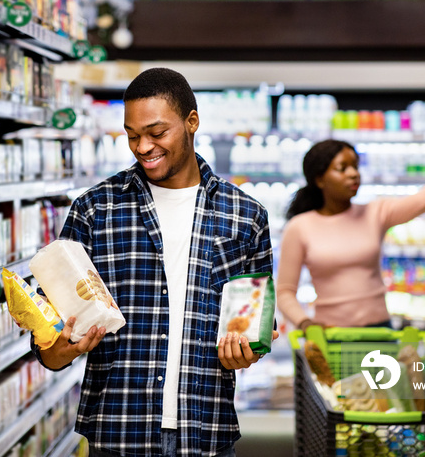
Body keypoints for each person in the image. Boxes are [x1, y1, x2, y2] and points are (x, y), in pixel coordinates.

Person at [31, 68, 277, 456]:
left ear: (192, 121)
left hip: (206, 431)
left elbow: (256, 328)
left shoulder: (246, 215)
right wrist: (65, 346)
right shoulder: (96, 209)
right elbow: (48, 346)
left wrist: (247, 351)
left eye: (157, 133)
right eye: (132, 135)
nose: (143, 146)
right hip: (117, 432)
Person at [276, 136, 425, 331]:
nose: (354, 174)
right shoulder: (300, 227)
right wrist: (305, 322)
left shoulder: (375, 213)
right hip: (329, 335)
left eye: (356, 166)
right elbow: (285, 291)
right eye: (342, 168)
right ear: (319, 179)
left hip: (380, 330)